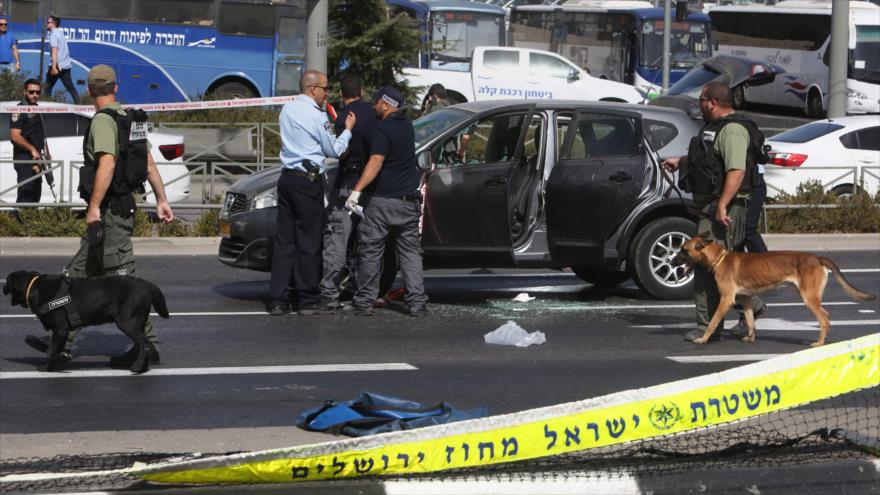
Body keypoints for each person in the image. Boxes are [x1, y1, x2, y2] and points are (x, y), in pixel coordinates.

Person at [24, 64, 174, 365]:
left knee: (124, 282)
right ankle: (61, 341)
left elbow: (106, 164)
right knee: (76, 277)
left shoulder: (104, 122)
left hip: (110, 214)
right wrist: (161, 198)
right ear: (116, 88)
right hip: (118, 210)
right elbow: (148, 163)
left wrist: (93, 206)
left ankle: (149, 346)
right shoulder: (131, 119)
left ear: (90, 91)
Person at [661, 81, 765, 342]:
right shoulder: (715, 128)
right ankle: (748, 308)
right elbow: (711, 162)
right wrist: (681, 161)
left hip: (725, 208)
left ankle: (707, 324)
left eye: (701, 100)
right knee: (724, 269)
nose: (699, 105)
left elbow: (736, 171)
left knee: (707, 265)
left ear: (713, 103)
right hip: (712, 205)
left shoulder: (733, 131)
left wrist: (722, 204)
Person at [268, 69, 355, 316]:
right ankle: (307, 300)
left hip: (287, 178)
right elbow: (334, 149)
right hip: (308, 182)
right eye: (325, 89)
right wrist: (347, 130)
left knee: (285, 241)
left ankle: (278, 299)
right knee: (309, 241)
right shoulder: (317, 116)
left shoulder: (287, 109)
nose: (327, 94)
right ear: (313, 89)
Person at [347, 86, 427, 317]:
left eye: (376, 103)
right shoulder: (407, 127)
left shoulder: (384, 130)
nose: (373, 106)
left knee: (371, 251)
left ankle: (364, 301)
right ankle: (416, 303)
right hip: (408, 202)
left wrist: (356, 191)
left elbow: (375, 163)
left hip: (382, 201)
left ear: (386, 104)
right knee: (410, 253)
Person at [319, 74, 378, 310]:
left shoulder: (344, 118)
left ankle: (329, 294)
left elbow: (338, 152)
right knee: (366, 244)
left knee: (337, 240)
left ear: (342, 96)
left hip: (347, 186)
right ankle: (361, 291)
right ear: (361, 91)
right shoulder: (375, 114)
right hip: (370, 186)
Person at [9, 79, 46, 204]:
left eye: (37, 92)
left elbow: (41, 134)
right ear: (25, 92)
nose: (35, 95)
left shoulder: (38, 110)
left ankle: (31, 223)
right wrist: (32, 149)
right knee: (26, 196)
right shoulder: (18, 110)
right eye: (31, 92)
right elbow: (15, 136)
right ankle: (20, 223)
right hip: (24, 159)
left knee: (36, 197)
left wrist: (45, 151)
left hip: (38, 160)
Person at [44, 16, 78, 102]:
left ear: (54, 24)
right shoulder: (60, 34)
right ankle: (79, 104)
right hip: (65, 66)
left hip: (57, 66)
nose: (46, 24)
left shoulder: (53, 35)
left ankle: (44, 107)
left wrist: (54, 67)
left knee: (47, 88)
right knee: (70, 87)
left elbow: (54, 51)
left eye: (48, 22)